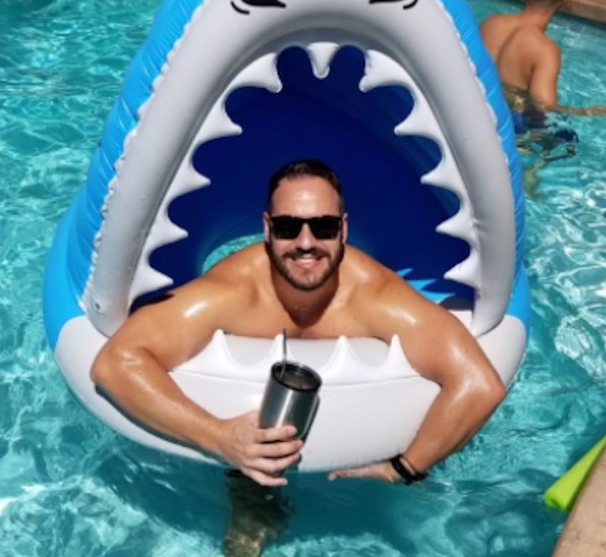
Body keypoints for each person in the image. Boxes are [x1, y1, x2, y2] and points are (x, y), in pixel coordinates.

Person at [90, 158, 506, 488]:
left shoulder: (374, 296)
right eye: (289, 227)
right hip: (243, 453)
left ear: (343, 230)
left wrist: (404, 468)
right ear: (267, 229)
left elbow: (478, 384)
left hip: (347, 474)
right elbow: (116, 363)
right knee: (247, 503)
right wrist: (218, 437)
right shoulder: (234, 292)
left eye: (323, 226)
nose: (306, 243)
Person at [480, 0, 606, 120]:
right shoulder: (545, 50)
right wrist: (590, 112)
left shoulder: (491, 23)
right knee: (567, 137)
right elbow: (545, 107)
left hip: (477, 109)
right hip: (509, 126)